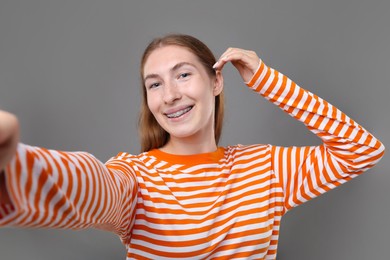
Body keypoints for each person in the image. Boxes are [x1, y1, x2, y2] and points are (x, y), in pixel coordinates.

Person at [0, 34, 385, 259]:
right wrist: (13, 165)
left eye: (183, 75)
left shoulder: (266, 169)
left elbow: (361, 149)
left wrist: (267, 80)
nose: (169, 95)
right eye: (154, 84)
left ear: (216, 82)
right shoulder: (137, 176)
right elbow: (89, 187)